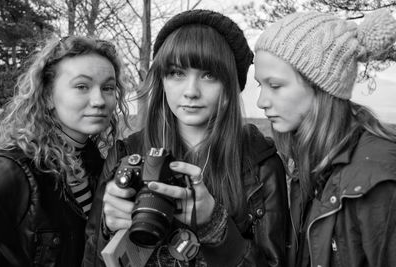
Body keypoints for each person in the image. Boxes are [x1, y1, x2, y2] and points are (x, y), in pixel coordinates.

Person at [83, 9, 289, 267]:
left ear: (231, 85)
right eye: (177, 73)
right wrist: (108, 229)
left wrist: (214, 226)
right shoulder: (127, 153)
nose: (191, 92)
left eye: (208, 75)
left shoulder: (260, 164)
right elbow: (92, 260)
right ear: (162, 80)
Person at [254, 8, 396, 267]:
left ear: (323, 87)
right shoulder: (310, 162)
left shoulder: (378, 179)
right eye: (260, 85)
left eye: (275, 86)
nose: (261, 101)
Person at [0, 35, 130, 267]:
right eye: (82, 86)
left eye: (108, 87)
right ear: (48, 96)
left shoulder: (100, 165)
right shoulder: (11, 172)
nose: (99, 100)